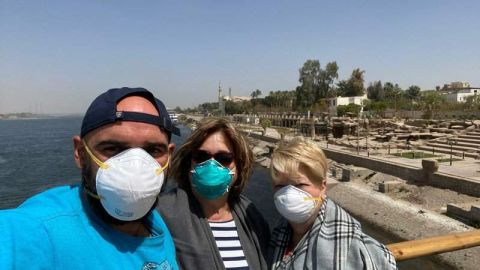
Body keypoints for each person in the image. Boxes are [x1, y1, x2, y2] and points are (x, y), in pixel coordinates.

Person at [0, 87, 180, 269]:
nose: (136, 168)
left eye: (153, 150)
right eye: (112, 148)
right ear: (80, 153)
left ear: (169, 155)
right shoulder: (38, 229)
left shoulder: (154, 222)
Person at [157, 117, 270, 270]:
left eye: (224, 158)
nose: (211, 165)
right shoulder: (160, 216)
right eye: (201, 156)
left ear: (239, 166)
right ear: (189, 161)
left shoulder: (253, 218)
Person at [268, 137, 397, 270]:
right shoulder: (275, 236)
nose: (289, 194)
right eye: (281, 186)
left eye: (300, 184)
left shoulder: (358, 250)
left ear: (322, 186)